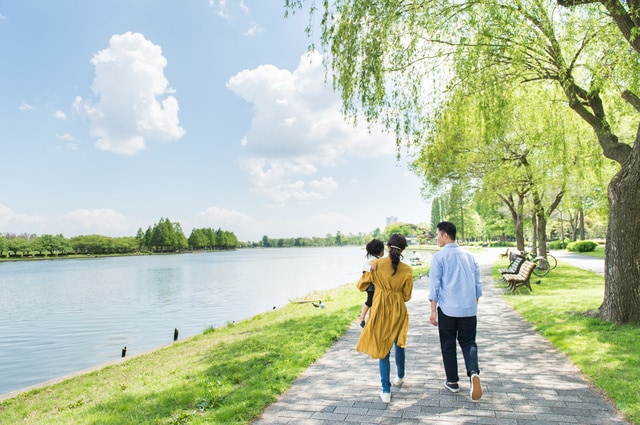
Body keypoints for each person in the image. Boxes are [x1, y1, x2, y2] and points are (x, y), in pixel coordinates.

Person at [428, 221, 483, 401]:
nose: (436, 238)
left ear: (445, 235)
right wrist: (473, 303)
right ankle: (473, 373)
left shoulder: (439, 257)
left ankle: (452, 381)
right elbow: (477, 286)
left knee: (448, 345)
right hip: (469, 309)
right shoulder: (470, 256)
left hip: (448, 310)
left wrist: (433, 311)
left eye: (437, 234)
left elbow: (434, 286)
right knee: (469, 343)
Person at [356, 233, 413, 403]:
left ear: (387, 247)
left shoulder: (375, 265)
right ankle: (400, 376)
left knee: (383, 349)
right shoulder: (407, 270)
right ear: (402, 250)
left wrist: (370, 271)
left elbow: (361, 286)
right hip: (398, 309)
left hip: (380, 309)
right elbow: (407, 296)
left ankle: (386, 390)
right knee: (399, 343)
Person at [357, 239, 385, 328]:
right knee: (370, 301)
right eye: (383, 250)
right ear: (380, 250)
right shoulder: (373, 259)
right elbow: (364, 267)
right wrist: (371, 267)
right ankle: (362, 317)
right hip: (371, 286)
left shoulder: (378, 259)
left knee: (373, 302)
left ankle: (371, 319)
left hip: (375, 285)